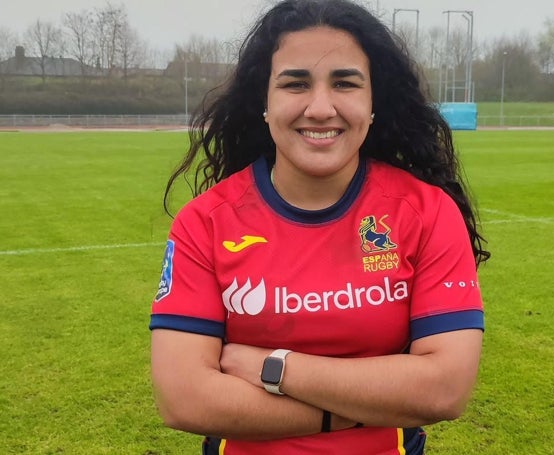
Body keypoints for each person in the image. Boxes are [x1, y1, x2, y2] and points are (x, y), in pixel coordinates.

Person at [149, 0, 490, 453]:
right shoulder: (205, 223)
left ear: (373, 104)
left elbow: (444, 389)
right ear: (265, 104)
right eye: (295, 84)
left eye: (345, 83)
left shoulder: (427, 213)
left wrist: (276, 368)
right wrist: (357, 409)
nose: (321, 107)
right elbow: (185, 399)